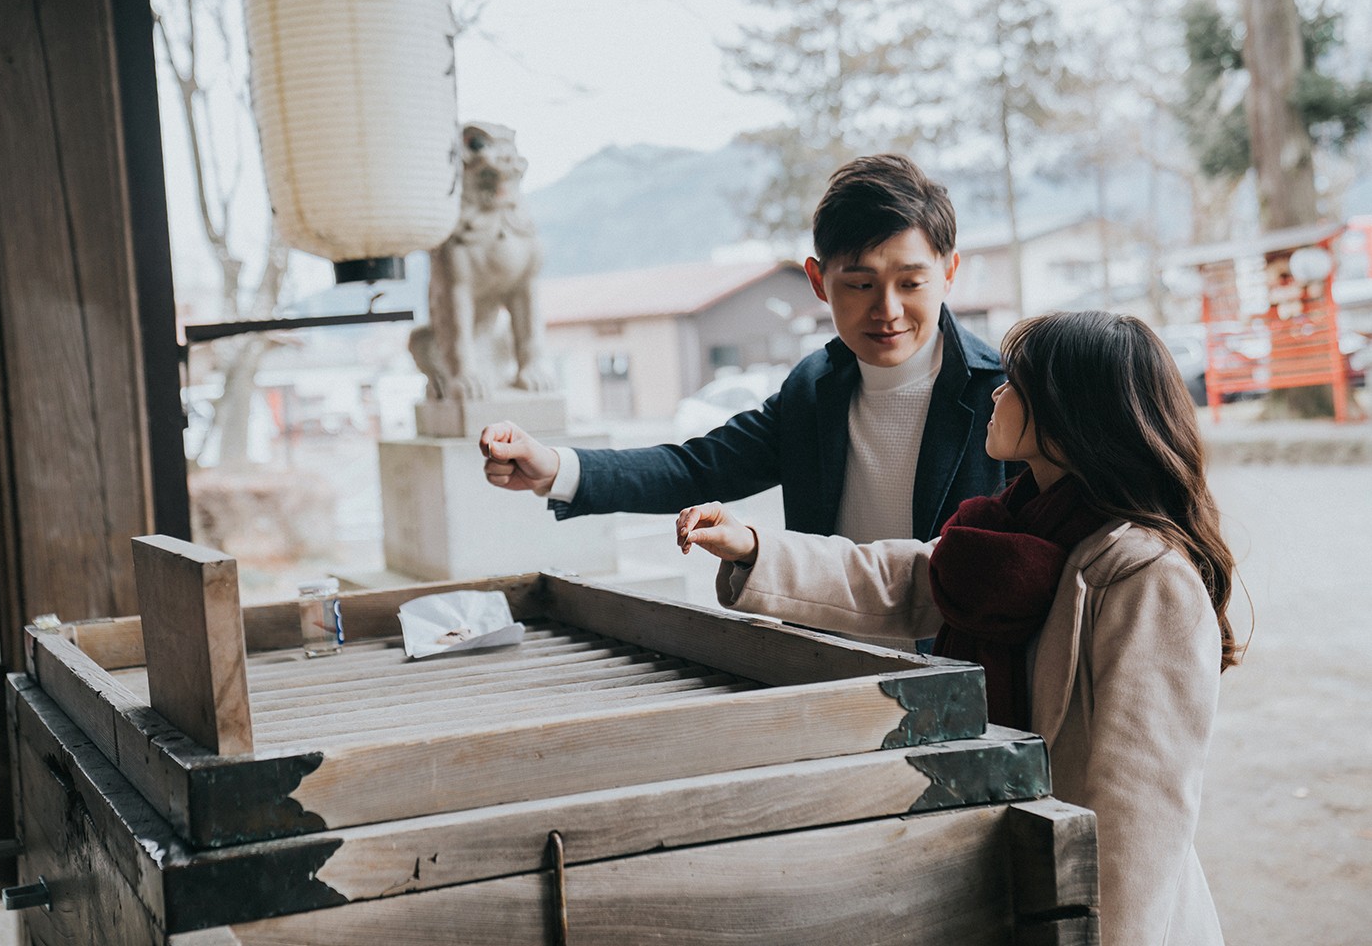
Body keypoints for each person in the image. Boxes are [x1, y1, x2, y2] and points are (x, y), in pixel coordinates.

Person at [677, 310, 1237, 946]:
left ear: (1068, 411)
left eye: (1017, 383)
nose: (997, 391)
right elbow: (899, 576)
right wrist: (753, 548)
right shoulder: (1011, 531)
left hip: (1092, 905)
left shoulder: (1145, 575)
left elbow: (1139, 811)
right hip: (999, 861)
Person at [479, 154, 1009, 573]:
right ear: (819, 282)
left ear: (950, 272)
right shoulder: (813, 389)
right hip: (830, 667)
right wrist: (555, 466)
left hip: (963, 679)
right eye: (861, 284)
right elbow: (698, 467)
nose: (887, 309)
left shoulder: (1006, 396)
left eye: (911, 283)